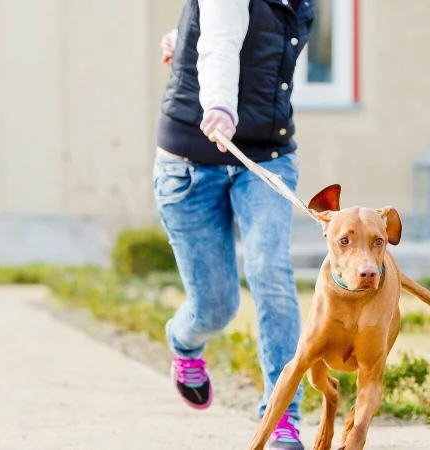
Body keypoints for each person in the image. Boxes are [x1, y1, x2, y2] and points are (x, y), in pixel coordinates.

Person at [154, 1, 313, 448]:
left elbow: (236, 26)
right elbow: (221, 40)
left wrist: (182, 31)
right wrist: (220, 105)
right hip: (189, 162)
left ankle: (282, 416)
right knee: (214, 307)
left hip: (265, 159)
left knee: (270, 271)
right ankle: (184, 343)